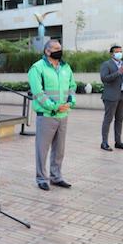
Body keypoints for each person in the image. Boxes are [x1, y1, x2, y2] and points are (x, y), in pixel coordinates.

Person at [28, 39, 76, 191]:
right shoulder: (37, 68)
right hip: (47, 115)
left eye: (60, 48)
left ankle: (56, 177)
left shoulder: (65, 67)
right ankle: (42, 178)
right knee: (42, 149)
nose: (59, 50)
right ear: (47, 51)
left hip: (63, 114)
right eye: (55, 48)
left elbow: (72, 86)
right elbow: (38, 93)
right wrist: (54, 107)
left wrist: (70, 102)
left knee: (59, 149)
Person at [100, 45, 123, 151]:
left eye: (121, 51)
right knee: (108, 120)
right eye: (117, 52)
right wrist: (119, 72)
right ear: (112, 54)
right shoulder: (106, 64)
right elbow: (104, 79)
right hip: (111, 96)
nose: (120, 53)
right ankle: (104, 143)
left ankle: (118, 142)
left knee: (119, 120)